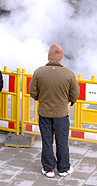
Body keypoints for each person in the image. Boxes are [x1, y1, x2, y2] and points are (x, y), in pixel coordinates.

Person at [29, 43, 80, 178]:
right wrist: (69, 101)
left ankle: (48, 169)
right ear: (61, 58)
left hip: (44, 112)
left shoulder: (39, 72)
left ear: (49, 58)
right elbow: (75, 93)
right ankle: (63, 168)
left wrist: (41, 98)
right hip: (61, 114)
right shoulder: (68, 74)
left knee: (47, 141)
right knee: (62, 141)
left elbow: (32, 91)